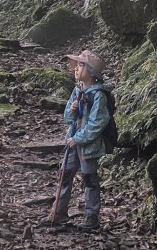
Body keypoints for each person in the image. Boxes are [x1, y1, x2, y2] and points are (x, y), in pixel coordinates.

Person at [41, 49, 111, 230]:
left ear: (91, 71)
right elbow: (67, 118)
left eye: (81, 65)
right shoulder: (77, 90)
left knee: (89, 178)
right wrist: (72, 110)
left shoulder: (98, 95)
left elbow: (98, 123)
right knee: (65, 174)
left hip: (88, 145)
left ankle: (91, 217)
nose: (76, 69)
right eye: (77, 65)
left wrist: (79, 138)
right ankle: (58, 213)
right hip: (73, 141)